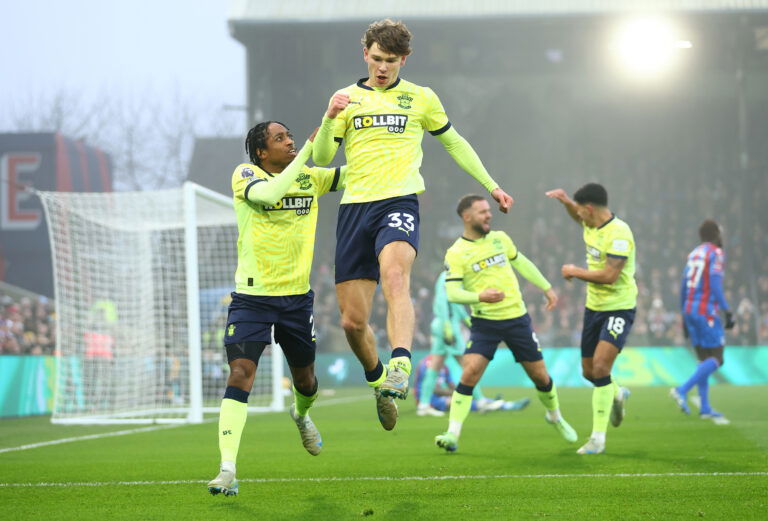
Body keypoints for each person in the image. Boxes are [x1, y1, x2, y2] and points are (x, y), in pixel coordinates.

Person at [311, 19, 514, 431]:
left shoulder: (421, 98)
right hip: (354, 209)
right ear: (364, 53)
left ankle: (401, 362)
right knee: (352, 322)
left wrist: (490, 185)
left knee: (396, 276)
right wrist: (331, 117)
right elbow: (320, 156)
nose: (383, 67)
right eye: (377, 58)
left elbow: (454, 142)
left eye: (391, 61)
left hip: (398, 201)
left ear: (404, 59)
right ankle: (379, 380)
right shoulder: (347, 99)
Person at [207, 122, 345, 497]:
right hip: (252, 299)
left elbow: (356, 174)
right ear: (262, 153)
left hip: (296, 300)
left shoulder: (310, 179)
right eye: (280, 138)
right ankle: (227, 468)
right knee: (240, 373)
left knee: (306, 381)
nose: (291, 140)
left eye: (290, 135)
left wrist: (391, 153)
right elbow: (269, 196)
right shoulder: (246, 175)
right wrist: (307, 154)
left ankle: (301, 415)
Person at [433, 195, 576, 453]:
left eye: (489, 211)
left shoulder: (500, 238)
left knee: (540, 376)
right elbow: (453, 293)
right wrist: (480, 296)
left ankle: (555, 416)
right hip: (485, 322)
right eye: (482, 212)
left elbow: (521, 262)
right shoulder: (456, 253)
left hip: (516, 320)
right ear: (467, 217)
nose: (489, 215)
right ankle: (452, 433)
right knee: (469, 373)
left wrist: (546, 287)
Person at [545, 184, 635, 455]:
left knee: (600, 367)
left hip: (619, 308)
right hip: (593, 309)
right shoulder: (591, 225)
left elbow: (610, 275)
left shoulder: (620, 233)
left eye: (581, 210)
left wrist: (575, 271)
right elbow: (577, 215)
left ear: (590, 209)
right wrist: (564, 202)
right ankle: (617, 394)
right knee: (589, 372)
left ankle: (598, 439)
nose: (579, 217)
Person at [670, 220, 734, 425]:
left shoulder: (694, 253)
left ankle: (705, 407)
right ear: (715, 234)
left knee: (703, 359)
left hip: (689, 310)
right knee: (718, 357)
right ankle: (682, 390)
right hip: (705, 311)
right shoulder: (715, 253)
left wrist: (683, 315)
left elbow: (682, 285)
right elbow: (715, 284)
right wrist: (727, 311)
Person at [417, 270, 503, 417]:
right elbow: (443, 301)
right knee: (467, 365)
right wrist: (448, 325)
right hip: (448, 325)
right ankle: (481, 401)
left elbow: (454, 304)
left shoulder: (447, 276)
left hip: (442, 324)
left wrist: (467, 321)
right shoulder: (449, 276)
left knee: (435, 366)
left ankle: (423, 405)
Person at [414, 354, 531, 414]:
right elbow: (434, 389)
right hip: (432, 400)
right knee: (457, 401)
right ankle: (501, 405)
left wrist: (461, 391)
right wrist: (456, 393)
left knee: (463, 396)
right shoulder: (427, 364)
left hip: (441, 396)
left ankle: (497, 403)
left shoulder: (444, 366)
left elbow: (450, 384)